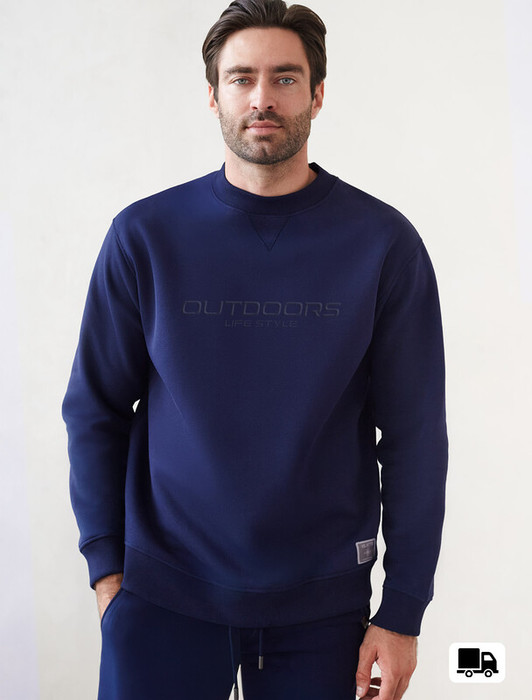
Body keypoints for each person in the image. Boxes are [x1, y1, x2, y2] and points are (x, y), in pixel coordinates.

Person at [62, 1, 448, 698]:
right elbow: (95, 408)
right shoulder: (145, 237)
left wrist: (402, 612)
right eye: (241, 78)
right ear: (213, 95)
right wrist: (107, 572)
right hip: (161, 598)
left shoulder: (382, 245)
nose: (262, 97)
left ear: (318, 94)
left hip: (324, 608)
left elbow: (416, 436)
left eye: (285, 78)